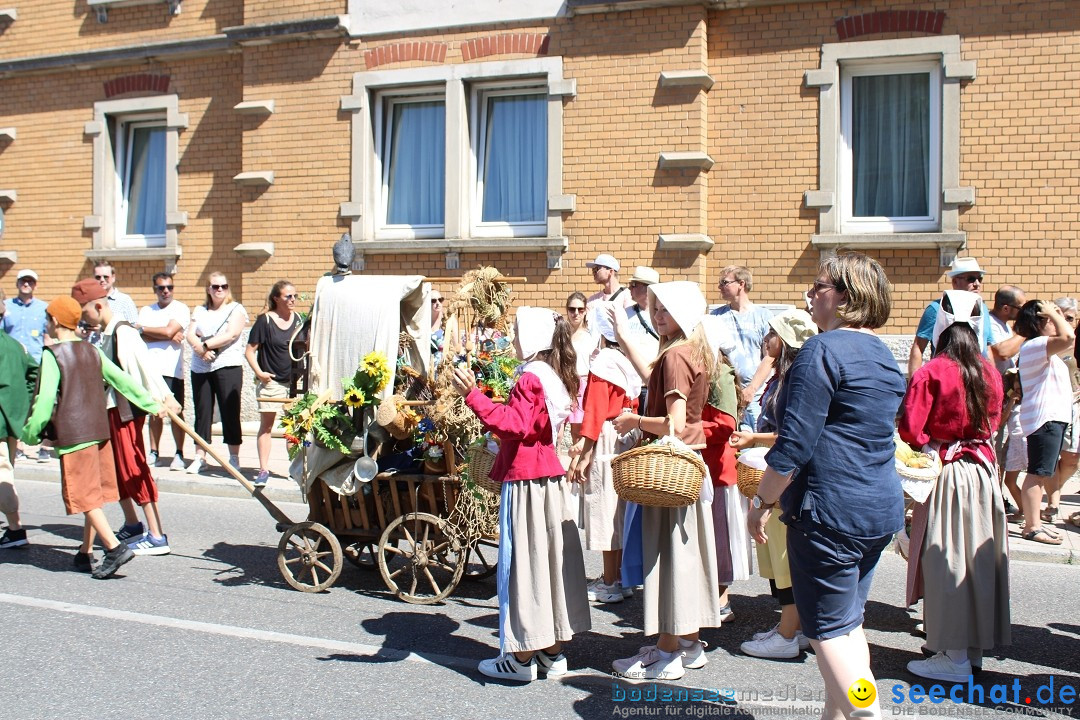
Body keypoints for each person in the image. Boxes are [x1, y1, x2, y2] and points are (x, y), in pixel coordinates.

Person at [747, 253, 906, 720]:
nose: (811, 295)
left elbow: (794, 444)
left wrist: (762, 501)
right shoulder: (881, 352)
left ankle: (866, 712)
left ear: (845, 297)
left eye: (819, 287)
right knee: (847, 626)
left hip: (830, 511)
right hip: (877, 508)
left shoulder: (822, 349)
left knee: (829, 632)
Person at [450, 306, 590, 682]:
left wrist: (473, 396)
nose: (511, 340)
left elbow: (513, 426)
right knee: (546, 564)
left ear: (530, 339)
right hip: (548, 480)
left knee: (523, 567)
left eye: (515, 333)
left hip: (527, 482)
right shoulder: (556, 375)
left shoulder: (531, 376)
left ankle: (521, 658)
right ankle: (550, 652)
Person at [609, 281, 722, 682]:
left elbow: (674, 425)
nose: (658, 317)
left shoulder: (675, 355)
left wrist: (634, 420)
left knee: (669, 561)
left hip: (669, 471)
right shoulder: (693, 350)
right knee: (683, 558)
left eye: (665, 310)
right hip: (688, 467)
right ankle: (688, 643)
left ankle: (666, 653)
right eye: (655, 309)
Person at [900, 290, 1009, 682]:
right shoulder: (989, 371)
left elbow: (911, 429)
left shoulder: (932, 372)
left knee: (948, 560)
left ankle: (955, 658)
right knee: (977, 560)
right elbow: (994, 423)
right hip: (982, 473)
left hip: (948, 472)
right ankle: (969, 649)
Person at [21, 296, 163, 578]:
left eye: (48, 318)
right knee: (93, 494)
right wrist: (151, 404)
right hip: (100, 432)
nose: (46, 323)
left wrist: (31, 432)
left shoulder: (53, 355)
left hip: (75, 434)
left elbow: (45, 398)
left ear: (55, 321)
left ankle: (113, 547)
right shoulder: (92, 350)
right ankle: (85, 551)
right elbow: (122, 380)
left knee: (83, 495)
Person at [729, 309, 817, 659]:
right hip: (776, 474)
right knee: (778, 557)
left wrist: (754, 440)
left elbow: (791, 435)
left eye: (771, 333)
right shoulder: (785, 375)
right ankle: (797, 628)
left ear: (787, 342)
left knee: (785, 560)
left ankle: (786, 635)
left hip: (786, 480)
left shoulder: (798, 378)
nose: (765, 339)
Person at [74, 278, 180, 556]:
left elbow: (144, 369)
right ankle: (133, 524)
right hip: (110, 410)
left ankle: (156, 535)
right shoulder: (106, 331)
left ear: (98, 305)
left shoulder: (124, 332)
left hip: (126, 411)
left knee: (133, 467)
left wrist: (164, 398)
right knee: (117, 470)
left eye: (84, 312)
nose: (83, 319)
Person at [568, 322, 642, 603]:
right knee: (621, 509)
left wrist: (584, 451)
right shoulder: (625, 361)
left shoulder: (603, 363)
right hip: (625, 433)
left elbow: (595, 411)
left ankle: (610, 581)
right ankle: (622, 577)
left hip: (606, 435)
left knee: (604, 507)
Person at [698, 314, 750, 623]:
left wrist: (685, 429)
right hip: (705, 464)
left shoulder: (721, 375)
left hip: (718, 468)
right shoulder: (707, 371)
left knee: (718, 537)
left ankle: (721, 599)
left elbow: (724, 425)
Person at [1013, 299, 1075, 544]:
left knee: (1042, 473)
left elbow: (1068, 341)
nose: (1056, 321)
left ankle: (1035, 522)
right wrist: (1053, 312)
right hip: (1045, 418)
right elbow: (1069, 338)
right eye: (1050, 318)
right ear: (1039, 322)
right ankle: (1031, 526)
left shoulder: (1042, 347)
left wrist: (1054, 314)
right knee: (1037, 473)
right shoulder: (1035, 345)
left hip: (1051, 418)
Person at [186, 272, 249, 475]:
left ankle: (233, 457)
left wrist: (204, 345)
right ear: (208, 289)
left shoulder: (236, 309)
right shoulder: (200, 310)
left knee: (229, 411)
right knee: (202, 412)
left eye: (223, 285)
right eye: (215, 286)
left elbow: (231, 334)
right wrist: (201, 349)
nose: (220, 289)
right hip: (201, 367)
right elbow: (189, 334)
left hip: (227, 365)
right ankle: (200, 456)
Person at [245, 280, 303, 487]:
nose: (293, 300)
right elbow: (250, 351)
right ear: (276, 298)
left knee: (294, 428)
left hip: (295, 383)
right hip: (272, 383)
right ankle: (263, 470)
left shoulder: (299, 320)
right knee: (267, 426)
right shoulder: (265, 321)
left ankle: (296, 469)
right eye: (288, 296)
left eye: (295, 296)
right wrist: (260, 373)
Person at [709, 265, 774, 431]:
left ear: (741, 284)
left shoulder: (763, 316)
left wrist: (751, 389)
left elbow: (770, 356)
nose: (719, 287)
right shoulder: (715, 317)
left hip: (755, 395)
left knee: (756, 447)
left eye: (724, 282)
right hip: (726, 395)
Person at [138, 272, 190, 471]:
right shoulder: (146, 311)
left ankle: (179, 453)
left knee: (176, 412)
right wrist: (150, 332)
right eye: (161, 288)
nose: (166, 291)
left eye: (169, 287)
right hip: (151, 370)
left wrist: (149, 331)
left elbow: (170, 331)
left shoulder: (181, 308)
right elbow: (139, 335)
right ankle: (154, 452)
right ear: (155, 290)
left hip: (172, 369)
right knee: (155, 413)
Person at [907, 257, 994, 377]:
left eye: (980, 279)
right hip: (945, 379)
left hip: (978, 380)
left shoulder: (982, 309)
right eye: (971, 279)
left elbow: (987, 349)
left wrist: (994, 381)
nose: (977, 284)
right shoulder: (936, 308)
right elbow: (918, 347)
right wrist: (914, 385)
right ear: (955, 282)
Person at [0, 290, 36, 549]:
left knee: (3, 476)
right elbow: (33, 373)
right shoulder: (16, 346)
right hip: (11, 420)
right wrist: (20, 405)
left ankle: (15, 529)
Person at [986, 285, 1026, 514]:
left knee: (1000, 454)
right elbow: (1001, 352)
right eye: (1021, 308)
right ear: (1005, 307)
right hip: (994, 401)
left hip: (1006, 400)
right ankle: (993, 501)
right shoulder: (991, 325)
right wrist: (1025, 331)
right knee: (995, 451)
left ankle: (996, 498)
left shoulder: (1005, 326)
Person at [4, 269, 49, 461]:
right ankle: (18, 445)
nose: (26, 284)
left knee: (35, 403)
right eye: (23, 281)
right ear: (17, 283)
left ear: (35, 285)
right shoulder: (6, 307)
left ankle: (35, 444)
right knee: (16, 404)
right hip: (12, 365)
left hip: (35, 364)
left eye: (30, 281)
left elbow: (47, 336)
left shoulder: (43, 308)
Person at [1043, 298, 1079, 525]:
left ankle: (1054, 489)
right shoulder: (1047, 343)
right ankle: (1053, 500)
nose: (1065, 321)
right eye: (1061, 316)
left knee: (1071, 458)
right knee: (1051, 456)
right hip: (1052, 405)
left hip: (1076, 405)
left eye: (1070, 318)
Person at [565, 292, 595, 443]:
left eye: (580, 309)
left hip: (583, 383)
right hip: (564, 383)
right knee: (557, 432)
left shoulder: (591, 335)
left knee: (578, 432)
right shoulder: (562, 334)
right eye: (572, 309)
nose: (576, 313)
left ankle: (577, 465)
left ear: (585, 311)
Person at [429, 290, 445, 368]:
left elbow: (456, 348)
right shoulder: (424, 323)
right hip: (428, 366)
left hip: (443, 366)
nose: (438, 303)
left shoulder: (448, 321)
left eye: (440, 300)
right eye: (433, 301)